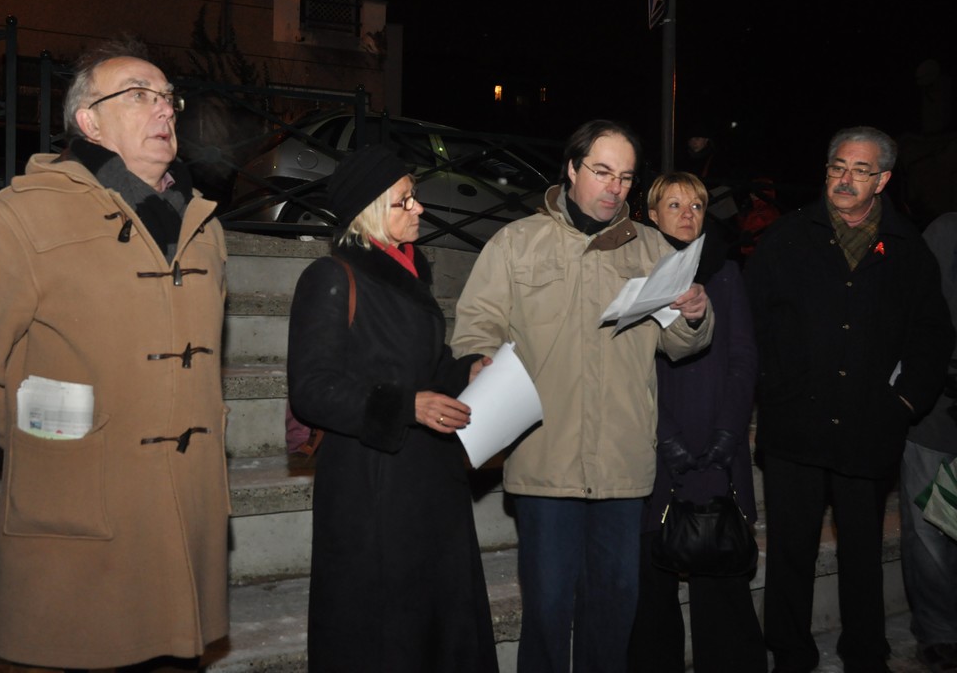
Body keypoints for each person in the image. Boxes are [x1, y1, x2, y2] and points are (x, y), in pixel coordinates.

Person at [0, 38, 229, 671]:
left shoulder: (204, 227)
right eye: (138, 95)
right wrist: (59, 451)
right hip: (84, 525)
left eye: (167, 98)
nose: (163, 110)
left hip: (184, 516)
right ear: (89, 121)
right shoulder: (27, 215)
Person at [451, 120, 714, 673]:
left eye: (624, 177)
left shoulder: (652, 249)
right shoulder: (517, 243)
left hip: (622, 460)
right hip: (546, 457)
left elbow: (680, 344)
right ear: (570, 170)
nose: (614, 187)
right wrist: (478, 359)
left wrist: (695, 316)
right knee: (546, 609)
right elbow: (476, 323)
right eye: (601, 172)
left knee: (614, 607)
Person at [745, 126, 955, 673]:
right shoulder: (786, 237)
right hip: (795, 425)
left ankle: (866, 653)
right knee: (792, 548)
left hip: (870, 426)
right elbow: (751, 323)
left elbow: (932, 337)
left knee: (862, 551)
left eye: (860, 170)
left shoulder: (908, 250)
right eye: (838, 166)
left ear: (882, 179)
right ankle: (790, 652)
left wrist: (904, 404)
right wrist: (773, 387)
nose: (845, 178)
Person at [287, 144, 499, 672]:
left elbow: (424, 367)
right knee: (383, 634)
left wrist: (466, 370)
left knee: (437, 626)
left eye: (416, 197)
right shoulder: (331, 276)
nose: (419, 209)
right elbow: (311, 389)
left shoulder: (411, 269)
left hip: (429, 482)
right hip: (371, 487)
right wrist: (406, 406)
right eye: (406, 200)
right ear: (370, 211)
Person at [628, 172, 765, 673]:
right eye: (674, 204)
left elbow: (743, 357)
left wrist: (729, 434)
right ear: (651, 212)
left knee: (721, 569)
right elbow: (629, 364)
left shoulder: (726, 271)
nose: (688, 215)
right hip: (654, 440)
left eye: (698, 206)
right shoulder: (637, 271)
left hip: (715, 442)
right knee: (650, 578)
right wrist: (665, 437)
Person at [901, 212, 957, 673]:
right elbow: (927, 317)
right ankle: (939, 633)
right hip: (940, 408)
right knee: (930, 527)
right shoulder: (946, 232)